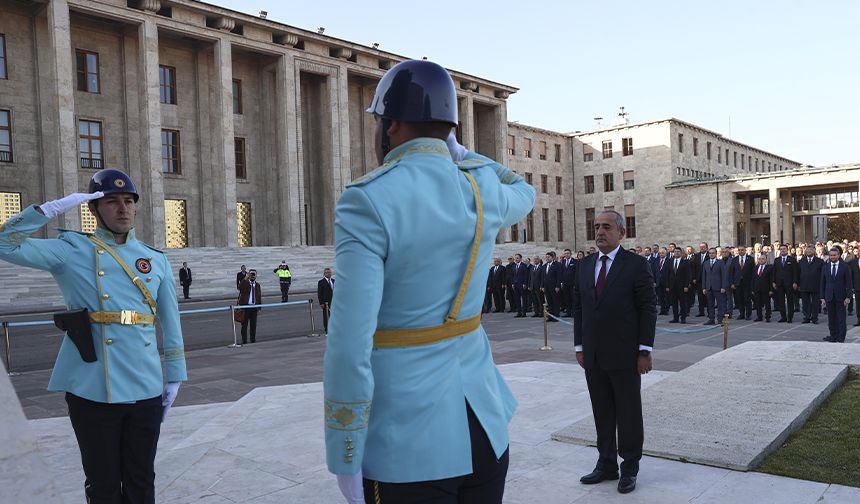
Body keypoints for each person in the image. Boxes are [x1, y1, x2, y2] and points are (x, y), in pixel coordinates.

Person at [322, 59, 535, 504]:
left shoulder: (367, 199)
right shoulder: (482, 188)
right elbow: (522, 188)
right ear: (450, 129)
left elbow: (348, 341)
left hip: (407, 439)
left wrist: (344, 449)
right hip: (483, 425)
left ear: (391, 125)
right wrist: (459, 153)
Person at [0, 168, 187, 503]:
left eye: (129, 201)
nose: (123, 209)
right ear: (93, 209)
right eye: (112, 201)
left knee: (142, 479)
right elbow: (4, 243)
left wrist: (174, 377)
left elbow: (170, 322)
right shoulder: (71, 249)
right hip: (92, 387)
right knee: (102, 483)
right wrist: (50, 209)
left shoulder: (155, 259)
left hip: (144, 386)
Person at [573, 210, 656, 495]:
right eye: (596, 227)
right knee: (602, 411)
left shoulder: (635, 265)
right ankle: (606, 463)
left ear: (621, 232)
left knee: (628, 413)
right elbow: (580, 308)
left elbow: (647, 308)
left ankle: (629, 467)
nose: (599, 232)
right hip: (594, 355)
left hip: (625, 355)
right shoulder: (584, 265)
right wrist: (579, 347)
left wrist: (644, 350)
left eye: (606, 227)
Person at [820, 247, 853, 343]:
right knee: (831, 318)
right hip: (829, 296)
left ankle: (841, 337)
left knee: (841, 319)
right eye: (831, 255)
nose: (833, 257)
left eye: (834, 255)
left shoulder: (845, 267)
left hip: (841, 297)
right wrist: (822, 298)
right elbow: (822, 283)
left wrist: (848, 297)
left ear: (838, 255)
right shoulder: (825, 267)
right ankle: (833, 336)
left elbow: (849, 283)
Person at [701, 247, 728, 325]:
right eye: (710, 253)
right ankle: (711, 319)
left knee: (720, 304)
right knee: (710, 304)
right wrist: (704, 287)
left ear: (716, 254)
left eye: (713, 253)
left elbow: (724, 275)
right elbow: (704, 276)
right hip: (709, 287)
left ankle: (720, 320)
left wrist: (723, 286)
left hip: (718, 287)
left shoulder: (721, 262)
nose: (711, 254)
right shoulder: (706, 263)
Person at [797, 246, 824, 324]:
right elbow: (798, 273)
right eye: (807, 250)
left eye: (811, 250)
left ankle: (814, 318)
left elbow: (822, 274)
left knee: (815, 303)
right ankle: (807, 317)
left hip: (816, 285)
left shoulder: (820, 261)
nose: (809, 251)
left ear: (814, 251)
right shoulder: (801, 261)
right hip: (804, 285)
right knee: (805, 303)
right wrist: (798, 284)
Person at [772, 244, 798, 323]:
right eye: (781, 249)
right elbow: (774, 272)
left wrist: (795, 282)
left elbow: (795, 272)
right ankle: (783, 316)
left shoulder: (792, 259)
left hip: (789, 283)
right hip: (779, 283)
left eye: (784, 249)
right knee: (781, 301)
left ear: (787, 250)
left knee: (790, 301)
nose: (782, 250)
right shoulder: (777, 260)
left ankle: (790, 317)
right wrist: (773, 282)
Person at [728, 245, 754, 320]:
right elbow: (731, 272)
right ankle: (741, 314)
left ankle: (748, 314)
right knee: (740, 299)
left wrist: (752, 283)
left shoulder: (750, 259)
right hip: (738, 283)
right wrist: (732, 283)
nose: (740, 251)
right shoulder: (734, 259)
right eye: (739, 250)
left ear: (745, 250)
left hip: (747, 282)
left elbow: (753, 272)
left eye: (742, 250)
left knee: (747, 299)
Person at [667, 248, 692, 324]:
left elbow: (688, 275)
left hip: (682, 286)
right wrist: (668, 286)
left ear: (681, 253)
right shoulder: (670, 261)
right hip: (672, 286)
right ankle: (675, 318)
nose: (676, 253)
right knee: (674, 303)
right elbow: (668, 274)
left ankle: (683, 318)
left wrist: (686, 286)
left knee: (683, 303)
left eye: (678, 252)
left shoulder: (685, 262)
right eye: (675, 252)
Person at [237, 269, 262, 344]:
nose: (252, 276)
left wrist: (259, 307)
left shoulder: (257, 285)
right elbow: (239, 287)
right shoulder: (246, 283)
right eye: (251, 274)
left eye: (254, 274)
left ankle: (253, 340)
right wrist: (245, 278)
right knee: (244, 325)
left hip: (254, 308)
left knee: (253, 325)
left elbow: (259, 296)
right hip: (245, 307)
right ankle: (244, 341)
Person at [751, 255, 774, 322]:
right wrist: (752, 289)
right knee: (758, 303)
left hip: (766, 289)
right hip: (757, 288)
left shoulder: (769, 268)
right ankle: (759, 316)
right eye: (760, 259)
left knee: (767, 303)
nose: (761, 260)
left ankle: (767, 316)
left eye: (763, 259)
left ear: (766, 260)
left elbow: (771, 279)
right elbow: (753, 279)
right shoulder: (756, 267)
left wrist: (771, 289)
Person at [541, 251, 563, 321]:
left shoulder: (557, 265)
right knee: (549, 302)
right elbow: (543, 277)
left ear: (552, 257)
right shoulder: (544, 266)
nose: (547, 258)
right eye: (546, 257)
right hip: (547, 287)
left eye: (548, 257)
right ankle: (551, 316)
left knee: (555, 302)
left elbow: (559, 276)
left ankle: (556, 316)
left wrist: (558, 286)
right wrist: (543, 286)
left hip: (554, 287)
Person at [317, 267, 335, 332]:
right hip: (326, 303)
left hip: (334, 302)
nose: (328, 274)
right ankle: (327, 330)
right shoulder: (321, 282)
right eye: (327, 273)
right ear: (324, 274)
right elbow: (319, 293)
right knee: (326, 317)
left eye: (329, 272)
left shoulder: (333, 281)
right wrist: (321, 303)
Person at [850, 246, 860, 326]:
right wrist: (852, 286)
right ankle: (859, 320)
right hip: (857, 287)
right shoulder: (853, 262)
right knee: (858, 305)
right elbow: (851, 275)